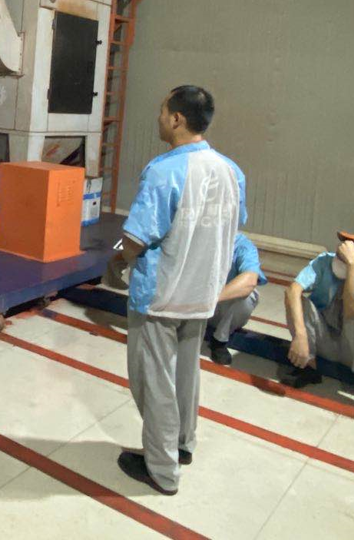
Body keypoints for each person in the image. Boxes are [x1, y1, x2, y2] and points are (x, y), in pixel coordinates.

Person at [113, 85, 246, 495]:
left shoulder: (163, 170)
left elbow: (138, 236)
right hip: (202, 292)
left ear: (176, 119)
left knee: (154, 383)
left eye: (162, 110)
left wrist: (117, 260)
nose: (158, 118)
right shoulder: (231, 171)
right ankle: (183, 444)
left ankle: (162, 470)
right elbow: (233, 224)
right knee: (186, 375)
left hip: (161, 293)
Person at [283, 232, 354, 424]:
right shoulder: (325, 262)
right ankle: (309, 367)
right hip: (328, 340)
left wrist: (352, 268)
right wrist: (300, 336)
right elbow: (293, 290)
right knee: (298, 302)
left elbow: (353, 310)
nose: (339, 257)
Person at [207, 233, 267, 365]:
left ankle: (219, 340)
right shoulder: (198, 239)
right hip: (193, 305)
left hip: (219, 307)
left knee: (248, 295)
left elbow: (250, 280)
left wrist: (210, 300)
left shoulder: (243, 246)